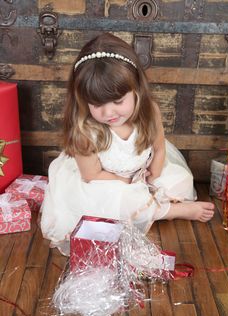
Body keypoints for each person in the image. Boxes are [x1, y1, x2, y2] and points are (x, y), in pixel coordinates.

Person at [40, 33, 214, 254]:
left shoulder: (150, 113)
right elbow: (91, 176)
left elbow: (159, 148)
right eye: (96, 104)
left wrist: (154, 173)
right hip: (106, 179)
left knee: (179, 181)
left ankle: (151, 205)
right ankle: (173, 211)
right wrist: (125, 181)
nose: (108, 112)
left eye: (118, 101)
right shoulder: (85, 131)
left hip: (141, 171)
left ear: (136, 90)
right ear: (84, 100)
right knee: (120, 200)